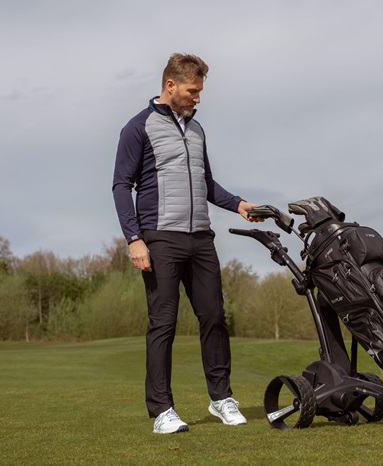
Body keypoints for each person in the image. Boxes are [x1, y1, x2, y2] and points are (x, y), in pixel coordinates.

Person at [112, 53, 261, 434]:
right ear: (170, 86)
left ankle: (221, 398)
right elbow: (120, 185)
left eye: (200, 91)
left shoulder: (197, 130)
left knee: (214, 318)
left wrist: (239, 204)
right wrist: (134, 239)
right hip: (159, 239)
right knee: (163, 324)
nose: (198, 98)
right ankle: (162, 410)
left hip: (201, 239)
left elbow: (206, 182)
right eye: (193, 91)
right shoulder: (138, 127)